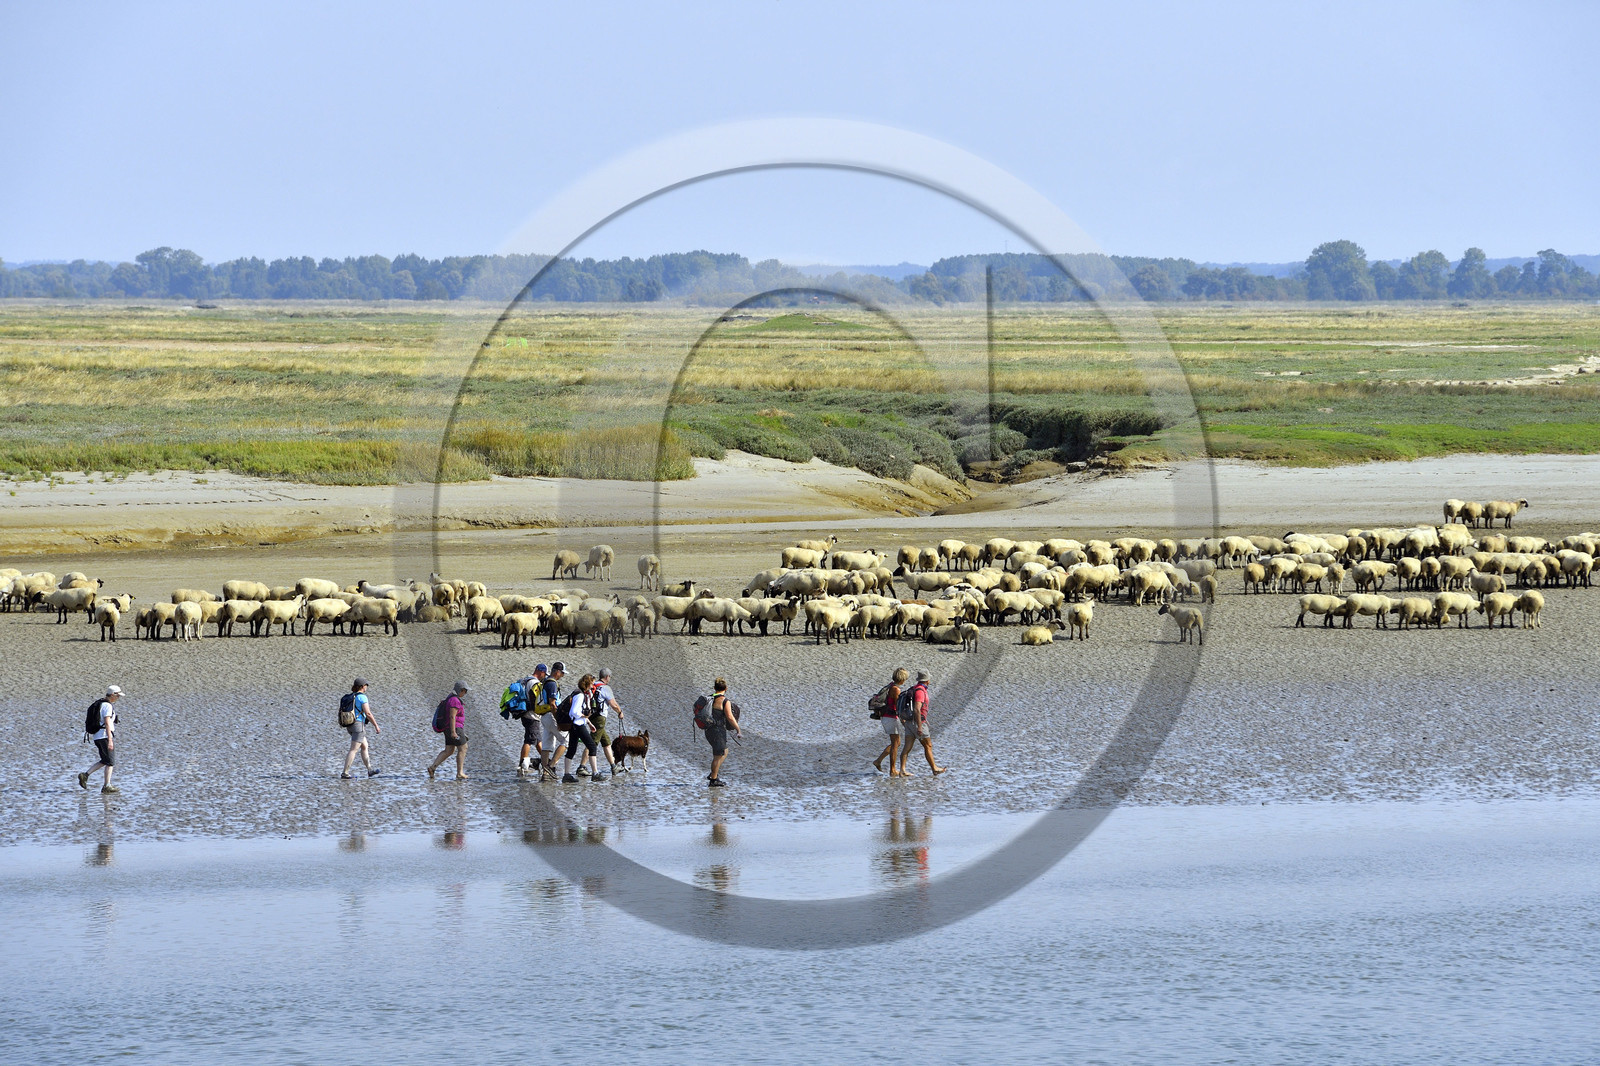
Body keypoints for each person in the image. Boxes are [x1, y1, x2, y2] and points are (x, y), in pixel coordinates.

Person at [894, 670, 946, 776]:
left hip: (909, 722)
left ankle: (902, 770)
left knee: (907, 747)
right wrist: (920, 726)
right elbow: (917, 709)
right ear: (927, 680)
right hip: (917, 722)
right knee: (928, 745)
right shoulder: (920, 691)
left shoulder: (914, 688)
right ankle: (934, 768)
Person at [559, 674, 604, 783]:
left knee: (572, 749)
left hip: (576, 724)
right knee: (592, 747)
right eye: (592, 683)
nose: (593, 685)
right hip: (577, 725)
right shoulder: (580, 695)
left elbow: (577, 712)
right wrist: (584, 716)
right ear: (587, 683)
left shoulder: (580, 693)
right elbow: (573, 712)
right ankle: (595, 774)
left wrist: (588, 722)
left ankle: (567, 775)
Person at [77, 685, 122, 794]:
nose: (119, 698)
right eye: (118, 696)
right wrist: (110, 740)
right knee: (110, 762)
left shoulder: (102, 704)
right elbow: (107, 722)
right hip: (104, 736)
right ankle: (106, 786)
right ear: (112, 695)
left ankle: (85, 775)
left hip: (99, 736)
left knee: (105, 760)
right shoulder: (107, 706)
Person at [427, 681, 470, 781]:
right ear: (461, 690)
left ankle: (432, 767)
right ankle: (460, 773)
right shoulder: (454, 700)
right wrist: (453, 732)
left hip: (449, 728)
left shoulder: (450, 697)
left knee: (449, 750)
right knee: (463, 748)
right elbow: (452, 716)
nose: (465, 693)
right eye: (465, 691)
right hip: (454, 727)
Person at [586, 667, 625, 776]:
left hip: (591, 716)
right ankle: (582, 766)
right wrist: (620, 712)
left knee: (606, 742)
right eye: (610, 677)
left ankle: (613, 766)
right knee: (592, 743)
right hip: (600, 718)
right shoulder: (605, 688)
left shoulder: (593, 685)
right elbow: (613, 704)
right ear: (607, 677)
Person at [703, 677, 741, 788]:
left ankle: (713, 773)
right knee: (718, 755)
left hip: (708, 729)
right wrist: (738, 730)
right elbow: (729, 716)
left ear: (715, 688)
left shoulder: (709, 698)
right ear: (726, 688)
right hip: (717, 730)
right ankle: (713, 780)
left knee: (724, 751)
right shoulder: (725, 701)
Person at [340, 678, 381, 779]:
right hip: (358, 726)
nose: (366, 687)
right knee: (354, 749)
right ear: (363, 686)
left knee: (364, 746)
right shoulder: (362, 697)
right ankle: (345, 773)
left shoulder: (351, 696)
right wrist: (376, 725)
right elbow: (368, 713)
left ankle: (370, 770)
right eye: (366, 685)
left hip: (349, 725)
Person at [872, 668, 908, 776]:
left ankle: (878, 761)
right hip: (890, 717)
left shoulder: (891, 685)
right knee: (895, 743)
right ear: (902, 679)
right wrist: (903, 719)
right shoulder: (896, 689)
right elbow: (898, 706)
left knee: (897, 743)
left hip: (887, 716)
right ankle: (892, 770)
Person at [510, 667, 542, 778]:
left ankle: (547, 762)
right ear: (540, 672)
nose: (544, 676)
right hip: (531, 715)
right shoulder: (535, 683)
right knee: (529, 739)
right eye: (544, 674)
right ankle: (521, 765)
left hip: (523, 712)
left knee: (537, 738)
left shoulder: (525, 680)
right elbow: (537, 699)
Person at [537, 661, 567, 780]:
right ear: (557, 672)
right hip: (551, 715)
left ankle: (545, 774)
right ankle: (550, 767)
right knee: (566, 741)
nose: (563, 676)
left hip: (543, 716)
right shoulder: (552, 684)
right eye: (562, 673)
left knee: (547, 745)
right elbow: (553, 704)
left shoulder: (544, 681)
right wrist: (558, 720)